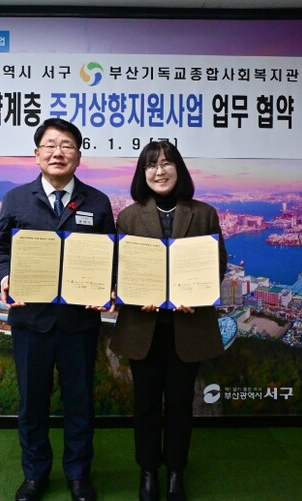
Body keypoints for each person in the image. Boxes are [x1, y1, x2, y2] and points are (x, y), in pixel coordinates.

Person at [0, 118, 116, 501]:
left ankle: (78, 475)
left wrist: (109, 285)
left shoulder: (97, 202)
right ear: (37, 153)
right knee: (32, 404)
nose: (58, 152)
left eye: (67, 145)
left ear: (78, 155)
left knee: (80, 402)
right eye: (50, 145)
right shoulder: (16, 199)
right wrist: (4, 276)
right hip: (31, 319)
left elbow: (112, 254)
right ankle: (35, 475)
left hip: (79, 321)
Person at [109, 141, 226, 501]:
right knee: (145, 404)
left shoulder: (204, 213)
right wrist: (132, 293)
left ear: (179, 168)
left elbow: (217, 266)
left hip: (187, 326)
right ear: (142, 173)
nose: (159, 171)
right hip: (142, 327)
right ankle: (147, 471)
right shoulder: (129, 217)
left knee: (179, 403)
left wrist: (198, 295)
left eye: (166, 163)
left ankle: (176, 471)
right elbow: (120, 269)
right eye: (151, 165)